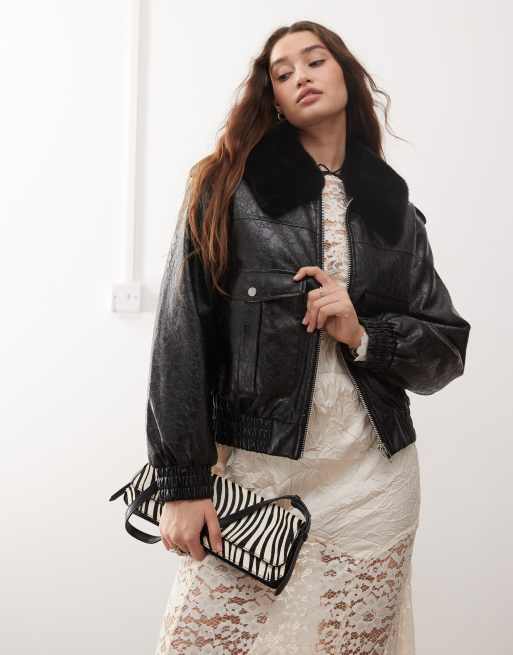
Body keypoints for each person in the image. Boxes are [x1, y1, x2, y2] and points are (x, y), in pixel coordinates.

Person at [147, 20, 471, 654]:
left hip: (374, 482)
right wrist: (182, 485)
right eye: (283, 72)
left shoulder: (396, 212)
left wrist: (364, 333)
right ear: (272, 97)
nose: (300, 76)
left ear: (345, 74)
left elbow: (446, 350)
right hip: (258, 473)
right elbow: (179, 339)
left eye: (314, 61)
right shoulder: (224, 190)